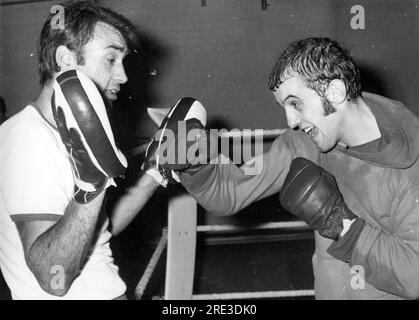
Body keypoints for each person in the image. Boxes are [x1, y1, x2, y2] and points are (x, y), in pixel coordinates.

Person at [155, 37, 419, 300]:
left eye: (295, 104)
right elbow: (231, 193)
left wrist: (342, 225)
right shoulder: (305, 142)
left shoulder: (412, 165)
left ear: (335, 93)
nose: (291, 121)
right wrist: (197, 164)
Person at [0, 0, 163, 299]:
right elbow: (53, 278)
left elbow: (98, 232)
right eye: (111, 59)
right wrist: (91, 185)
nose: (123, 76)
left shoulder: (71, 137)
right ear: (66, 60)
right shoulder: (28, 139)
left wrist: (156, 172)